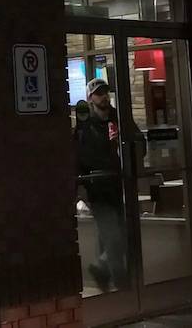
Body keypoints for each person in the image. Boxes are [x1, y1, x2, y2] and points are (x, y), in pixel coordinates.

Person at [75, 77, 129, 291]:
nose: (104, 96)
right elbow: (78, 157)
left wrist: (121, 143)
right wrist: (81, 189)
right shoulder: (85, 126)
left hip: (118, 186)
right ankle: (123, 289)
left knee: (113, 236)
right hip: (97, 189)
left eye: (105, 92)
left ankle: (101, 273)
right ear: (90, 98)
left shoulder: (119, 117)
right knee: (115, 238)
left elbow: (136, 142)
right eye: (99, 93)